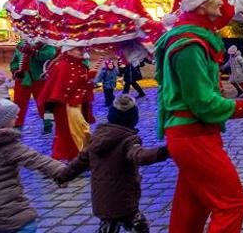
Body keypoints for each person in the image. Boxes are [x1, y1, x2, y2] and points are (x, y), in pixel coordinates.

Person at [154, 0, 243, 232]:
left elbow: (223, 11)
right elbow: (203, 103)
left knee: (190, 211)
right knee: (232, 203)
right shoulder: (190, 45)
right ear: (200, 4)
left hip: (195, 134)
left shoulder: (195, 36)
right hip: (193, 135)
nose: (220, 0)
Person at [56, 95, 168, 233]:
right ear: (133, 119)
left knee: (108, 227)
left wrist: (63, 176)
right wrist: (162, 152)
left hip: (102, 201)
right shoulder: (129, 140)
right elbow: (139, 155)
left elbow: (79, 163)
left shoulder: (96, 138)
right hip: (124, 201)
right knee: (140, 227)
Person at [0, 97, 66, 233]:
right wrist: (66, 172)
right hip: (10, 216)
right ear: (2, 124)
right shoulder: (7, 144)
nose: (17, 117)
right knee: (27, 227)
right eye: (13, 116)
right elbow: (37, 160)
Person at [39, 46, 96, 160]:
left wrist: (88, 81)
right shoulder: (62, 66)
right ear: (69, 50)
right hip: (66, 106)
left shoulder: (80, 65)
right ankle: (80, 157)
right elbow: (66, 88)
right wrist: (85, 78)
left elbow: (81, 87)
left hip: (77, 104)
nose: (82, 51)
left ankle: (80, 156)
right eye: (78, 49)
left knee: (76, 131)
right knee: (79, 131)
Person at [10, 40, 56, 132]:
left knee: (45, 104)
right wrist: (15, 70)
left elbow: (49, 55)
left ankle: (48, 122)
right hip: (22, 79)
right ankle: (17, 123)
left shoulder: (46, 45)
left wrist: (33, 52)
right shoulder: (21, 44)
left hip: (39, 79)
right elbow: (14, 60)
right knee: (18, 103)